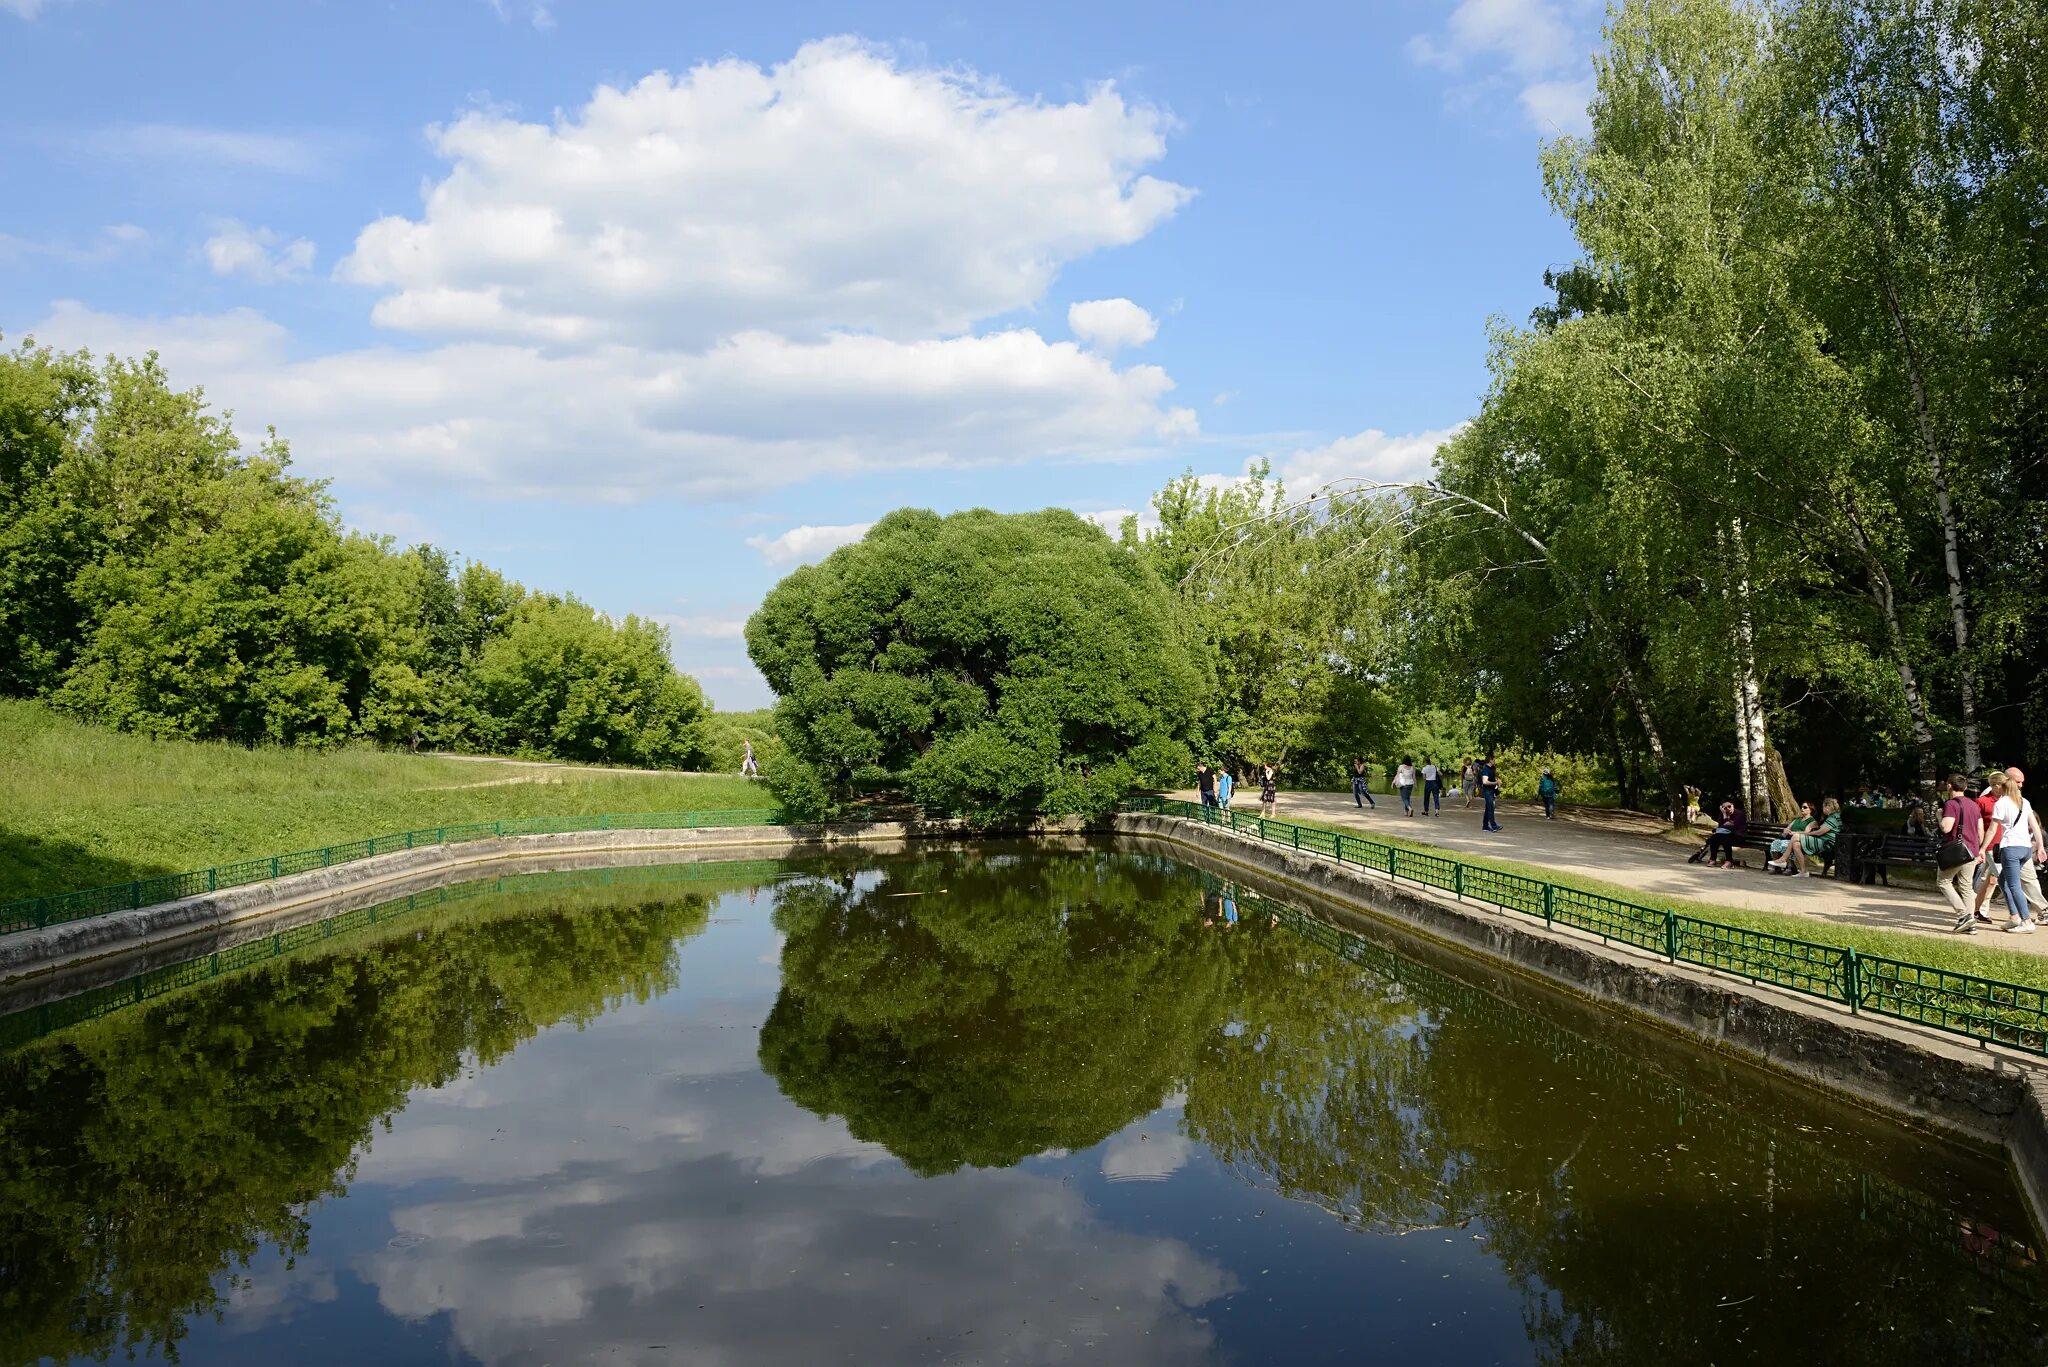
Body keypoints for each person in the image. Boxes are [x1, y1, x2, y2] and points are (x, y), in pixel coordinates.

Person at [1983, 771, 2039, 932]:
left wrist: (1981, 848)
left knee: (2014, 886)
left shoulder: (2001, 803)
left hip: (2011, 848)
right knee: (2003, 880)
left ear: (2001, 786)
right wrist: (2040, 846)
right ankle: (2015, 917)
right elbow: (2035, 826)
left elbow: (1993, 829)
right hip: (2025, 848)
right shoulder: (2024, 801)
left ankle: (2026, 921)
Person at [1939, 773, 1988, 932]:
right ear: (1965, 787)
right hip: (1972, 851)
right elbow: (1981, 830)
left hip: (1956, 851)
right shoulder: (1974, 805)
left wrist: (1939, 816)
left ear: (1949, 786)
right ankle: (1970, 923)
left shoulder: (1951, 804)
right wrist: (1979, 850)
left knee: (1943, 882)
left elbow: (1946, 827)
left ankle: (1963, 915)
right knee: (1966, 887)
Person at [1787, 796, 1841, 878]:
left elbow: (1819, 832)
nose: (1822, 809)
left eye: (1823, 807)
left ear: (1827, 807)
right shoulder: (1833, 816)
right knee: (1796, 844)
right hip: (1824, 841)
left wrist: (1805, 834)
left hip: (1827, 844)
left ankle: (1783, 859)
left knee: (1796, 837)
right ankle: (1803, 871)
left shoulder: (1834, 817)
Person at [1765, 801, 1813, 874]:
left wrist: (1795, 833)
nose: (1802, 808)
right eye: (1802, 807)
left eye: (1805, 807)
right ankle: (1777, 867)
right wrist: (1786, 830)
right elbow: (1787, 828)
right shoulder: (1797, 820)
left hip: (1799, 840)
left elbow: (1807, 832)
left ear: (1811, 810)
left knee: (1785, 844)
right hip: (1789, 838)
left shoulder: (1812, 821)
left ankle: (1790, 867)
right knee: (1776, 843)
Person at [1705, 800, 1745, 868]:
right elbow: (1721, 826)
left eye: (1729, 806)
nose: (1728, 808)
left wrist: (1726, 818)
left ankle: (1729, 861)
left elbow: (1733, 826)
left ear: (1733, 806)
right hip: (1726, 835)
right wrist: (1724, 815)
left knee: (1725, 838)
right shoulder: (1722, 814)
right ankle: (1713, 859)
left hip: (1738, 835)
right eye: (1725, 807)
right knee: (1714, 837)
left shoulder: (1739, 814)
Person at [1478, 754, 1502, 832]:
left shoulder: (1492, 769)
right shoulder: (1486, 769)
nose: (1495, 761)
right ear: (1490, 760)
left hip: (1491, 791)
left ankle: (1485, 826)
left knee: (1488, 808)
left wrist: (1496, 784)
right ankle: (1494, 826)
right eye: (1494, 759)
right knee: (1491, 808)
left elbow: (1492, 779)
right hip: (1487, 791)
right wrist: (1495, 783)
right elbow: (1485, 782)